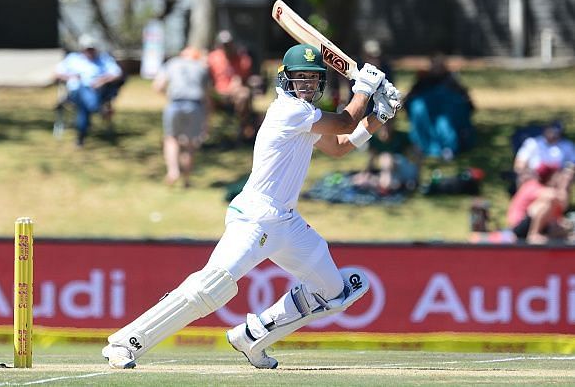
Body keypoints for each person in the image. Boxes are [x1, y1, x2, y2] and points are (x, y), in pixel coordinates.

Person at [101, 44, 401, 369]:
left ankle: (253, 335)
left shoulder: (308, 118)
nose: (307, 85)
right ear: (285, 81)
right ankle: (125, 343)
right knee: (211, 286)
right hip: (255, 217)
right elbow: (344, 121)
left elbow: (341, 145)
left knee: (334, 290)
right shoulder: (289, 111)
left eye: (313, 79)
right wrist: (365, 87)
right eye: (300, 79)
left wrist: (379, 115)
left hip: (287, 222)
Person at [152, 46, 211, 188]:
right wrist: (208, 118)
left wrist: (168, 95)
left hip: (175, 104)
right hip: (195, 106)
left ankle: (173, 171)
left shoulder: (172, 63)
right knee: (190, 144)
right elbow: (207, 95)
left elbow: (157, 86)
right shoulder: (201, 67)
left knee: (171, 138)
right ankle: (186, 179)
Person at [55, 34, 124, 146]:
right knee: (82, 90)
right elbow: (56, 73)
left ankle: (80, 138)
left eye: (92, 49)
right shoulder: (73, 59)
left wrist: (102, 80)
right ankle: (99, 109)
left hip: (97, 92)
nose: (90, 51)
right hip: (74, 93)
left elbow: (117, 73)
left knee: (84, 107)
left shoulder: (104, 59)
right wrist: (71, 76)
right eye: (87, 49)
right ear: (82, 49)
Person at [405, 53, 474, 160]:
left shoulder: (450, 79)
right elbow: (410, 97)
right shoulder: (424, 79)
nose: (437, 67)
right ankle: (422, 145)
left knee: (445, 122)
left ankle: (448, 147)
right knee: (418, 108)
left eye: (440, 64)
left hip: (446, 111)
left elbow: (465, 99)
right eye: (435, 64)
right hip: (427, 113)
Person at [507, 162, 574, 244]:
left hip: (530, 224)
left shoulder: (542, 188)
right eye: (557, 175)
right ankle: (534, 234)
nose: (559, 178)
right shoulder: (533, 186)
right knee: (547, 203)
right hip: (520, 225)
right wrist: (564, 185)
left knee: (561, 228)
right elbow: (560, 200)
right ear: (550, 176)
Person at [207, 30, 255, 140]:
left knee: (244, 95)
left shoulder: (242, 58)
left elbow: (243, 79)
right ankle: (205, 131)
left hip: (235, 94)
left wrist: (238, 84)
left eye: (229, 44)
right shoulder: (213, 58)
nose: (227, 47)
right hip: (217, 94)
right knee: (202, 96)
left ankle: (243, 128)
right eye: (224, 45)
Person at [513, 120, 575, 188]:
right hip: (534, 175)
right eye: (550, 130)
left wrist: (567, 172)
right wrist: (526, 172)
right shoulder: (532, 143)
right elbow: (519, 163)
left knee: (565, 178)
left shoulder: (567, 146)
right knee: (525, 178)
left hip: (557, 176)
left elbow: (572, 163)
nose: (552, 134)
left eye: (555, 131)